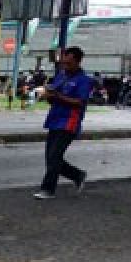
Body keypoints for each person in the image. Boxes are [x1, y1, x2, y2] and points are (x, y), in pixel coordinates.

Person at [33, 46, 92, 200]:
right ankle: (77, 175)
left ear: (78, 62)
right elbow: (54, 94)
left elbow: (79, 102)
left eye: (69, 63)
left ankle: (48, 189)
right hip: (54, 120)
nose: (65, 66)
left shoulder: (84, 80)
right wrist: (48, 95)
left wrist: (57, 96)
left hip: (69, 122)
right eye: (64, 63)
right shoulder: (61, 75)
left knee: (54, 157)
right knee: (51, 158)